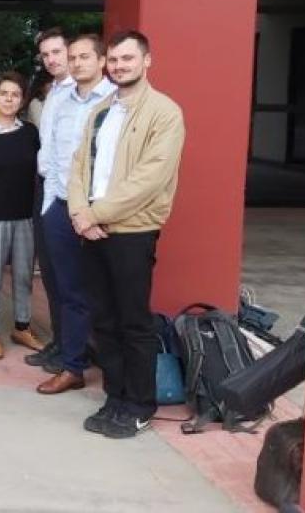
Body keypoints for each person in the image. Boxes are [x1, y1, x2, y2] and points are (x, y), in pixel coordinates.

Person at [70, 30, 185, 439]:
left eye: (128, 59)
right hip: (92, 230)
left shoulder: (165, 113)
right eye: (115, 60)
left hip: (132, 230)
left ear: (146, 60)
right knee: (104, 320)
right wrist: (80, 214)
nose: (120, 66)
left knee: (133, 322)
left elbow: (149, 179)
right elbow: (79, 166)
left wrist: (95, 214)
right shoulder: (101, 111)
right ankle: (115, 397)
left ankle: (139, 404)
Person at [35, 33, 117, 396]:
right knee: (67, 289)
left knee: (105, 290)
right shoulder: (61, 100)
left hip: (102, 211)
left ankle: (114, 372)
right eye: (73, 57)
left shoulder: (116, 101)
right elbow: (52, 153)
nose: (76, 62)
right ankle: (73, 366)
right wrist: (51, 203)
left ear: (102, 61)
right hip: (61, 204)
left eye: (85, 56)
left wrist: (99, 211)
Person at [0, 72, 44, 361]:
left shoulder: (30, 133)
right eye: (3, 93)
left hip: (24, 215)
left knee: (24, 276)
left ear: (22, 100)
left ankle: (22, 327)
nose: (9, 99)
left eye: (15, 94)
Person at [25, 27, 77, 370]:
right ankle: (59, 342)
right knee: (51, 274)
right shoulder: (54, 92)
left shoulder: (83, 93)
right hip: (45, 188)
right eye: (46, 54)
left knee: (69, 279)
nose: (51, 59)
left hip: (68, 194)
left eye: (57, 52)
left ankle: (72, 352)